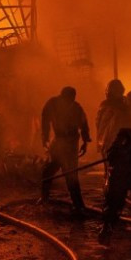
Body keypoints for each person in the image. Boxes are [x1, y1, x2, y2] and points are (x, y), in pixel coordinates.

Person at [40, 86, 91, 215]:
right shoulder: (53, 104)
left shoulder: (76, 108)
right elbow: (45, 120)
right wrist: (45, 137)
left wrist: (85, 142)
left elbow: (84, 125)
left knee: (71, 174)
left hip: (71, 143)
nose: (70, 101)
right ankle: (44, 197)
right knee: (48, 170)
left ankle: (78, 204)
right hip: (58, 142)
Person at [95, 79, 131, 158]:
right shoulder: (106, 105)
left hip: (123, 139)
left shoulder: (125, 102)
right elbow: (101, 124)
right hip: (109, 140)